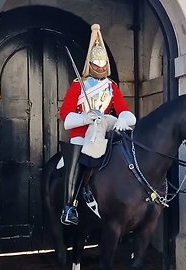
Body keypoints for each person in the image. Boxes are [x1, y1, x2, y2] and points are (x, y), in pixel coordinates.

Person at [58, 23, 136, 225]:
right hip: (81, 133)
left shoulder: (112, 87)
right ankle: (69, 206)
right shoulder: (78, 85)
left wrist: (122, 120)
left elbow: (124, 109)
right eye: (97, 65)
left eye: (103, 65)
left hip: (104, 130)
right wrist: (85, 118)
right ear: (91, 64)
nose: (101, 68)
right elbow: (65, 114)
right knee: (75, 160)